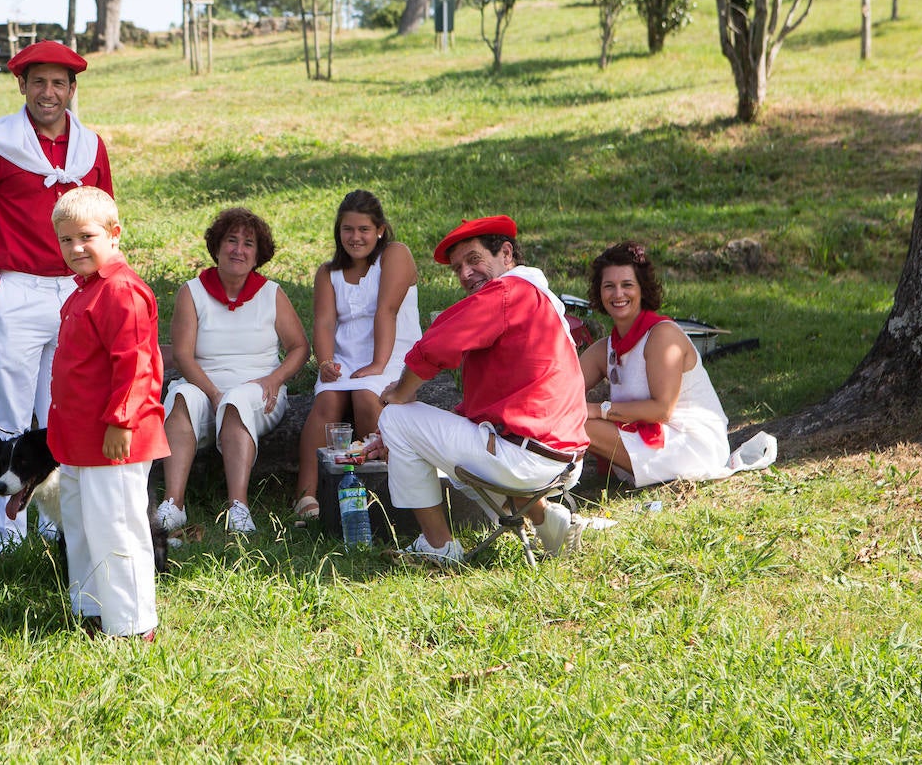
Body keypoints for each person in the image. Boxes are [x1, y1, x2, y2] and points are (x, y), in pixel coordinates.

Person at [0, 40, 113, 553]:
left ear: (73, 89)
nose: (50, 92)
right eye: (39, 82)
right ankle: (3, 531)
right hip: (16, 289)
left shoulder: (91, 147)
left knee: (60, 414)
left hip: (76, 291)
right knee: (6, 415)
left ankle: (55, 520)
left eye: (60, 83)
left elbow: (105, 219)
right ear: (21, 85)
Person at [373, 215, 588, 566]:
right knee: (446, 433)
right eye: (457, 268)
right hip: (561, 459)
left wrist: (400, 392)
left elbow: (437, 344)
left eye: (474, 260)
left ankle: (440, 547)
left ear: (506, 254)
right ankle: (547, 519)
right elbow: (497, 401)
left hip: (526, 457)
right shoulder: (538, 298)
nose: (465, 274)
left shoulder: (507, 292)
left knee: (396, 418)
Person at [48, 187, 168, 639]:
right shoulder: (87, 289)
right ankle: (93, 611)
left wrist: (121, 419)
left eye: (87, 237)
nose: (76, 248)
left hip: (115, 436)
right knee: (82, 527)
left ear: (114, 235)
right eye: (66, 240)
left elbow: (136, 362)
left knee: (117, 529)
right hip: (79, 439)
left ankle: (134, 627)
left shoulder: (121, 290)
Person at [157, 207, 309, 535]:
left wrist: (275, 378)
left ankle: (237, 508)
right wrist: (212, 393)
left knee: (238, 401)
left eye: (248, 243)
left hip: (257, 391)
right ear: (217, 246)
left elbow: (300, 348)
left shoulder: (272, 294)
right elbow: (182, 356)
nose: (238, 249)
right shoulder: (191, 292)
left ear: (258, 255)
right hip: (204, 384)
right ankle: (173, 504)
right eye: (231, 240)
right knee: (181, 394)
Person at [292, 189, 420, 522]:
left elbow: (387, 310)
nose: (355, 237)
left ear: (379, 229)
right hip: (347, 360)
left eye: (364, 229)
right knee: (328, 403)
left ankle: (382, 491)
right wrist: (325, 363)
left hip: (392, 354)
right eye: (347, 229)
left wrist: (377, 364)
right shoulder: (328, 272)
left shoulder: (395, 255)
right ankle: (307, 496)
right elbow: (323, 321)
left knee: (366, 396)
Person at [579, 241, 730, 485]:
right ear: (599, 292)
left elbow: (661, 410)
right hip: (653, 440)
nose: (618, 294)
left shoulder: (662, 335)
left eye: (627, 285)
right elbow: (561, 391)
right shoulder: (605, 348)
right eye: (609, 286)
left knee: (578, 424)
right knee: (564, 417)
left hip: (691, 444)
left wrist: (597, 410)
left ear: (643, 289)